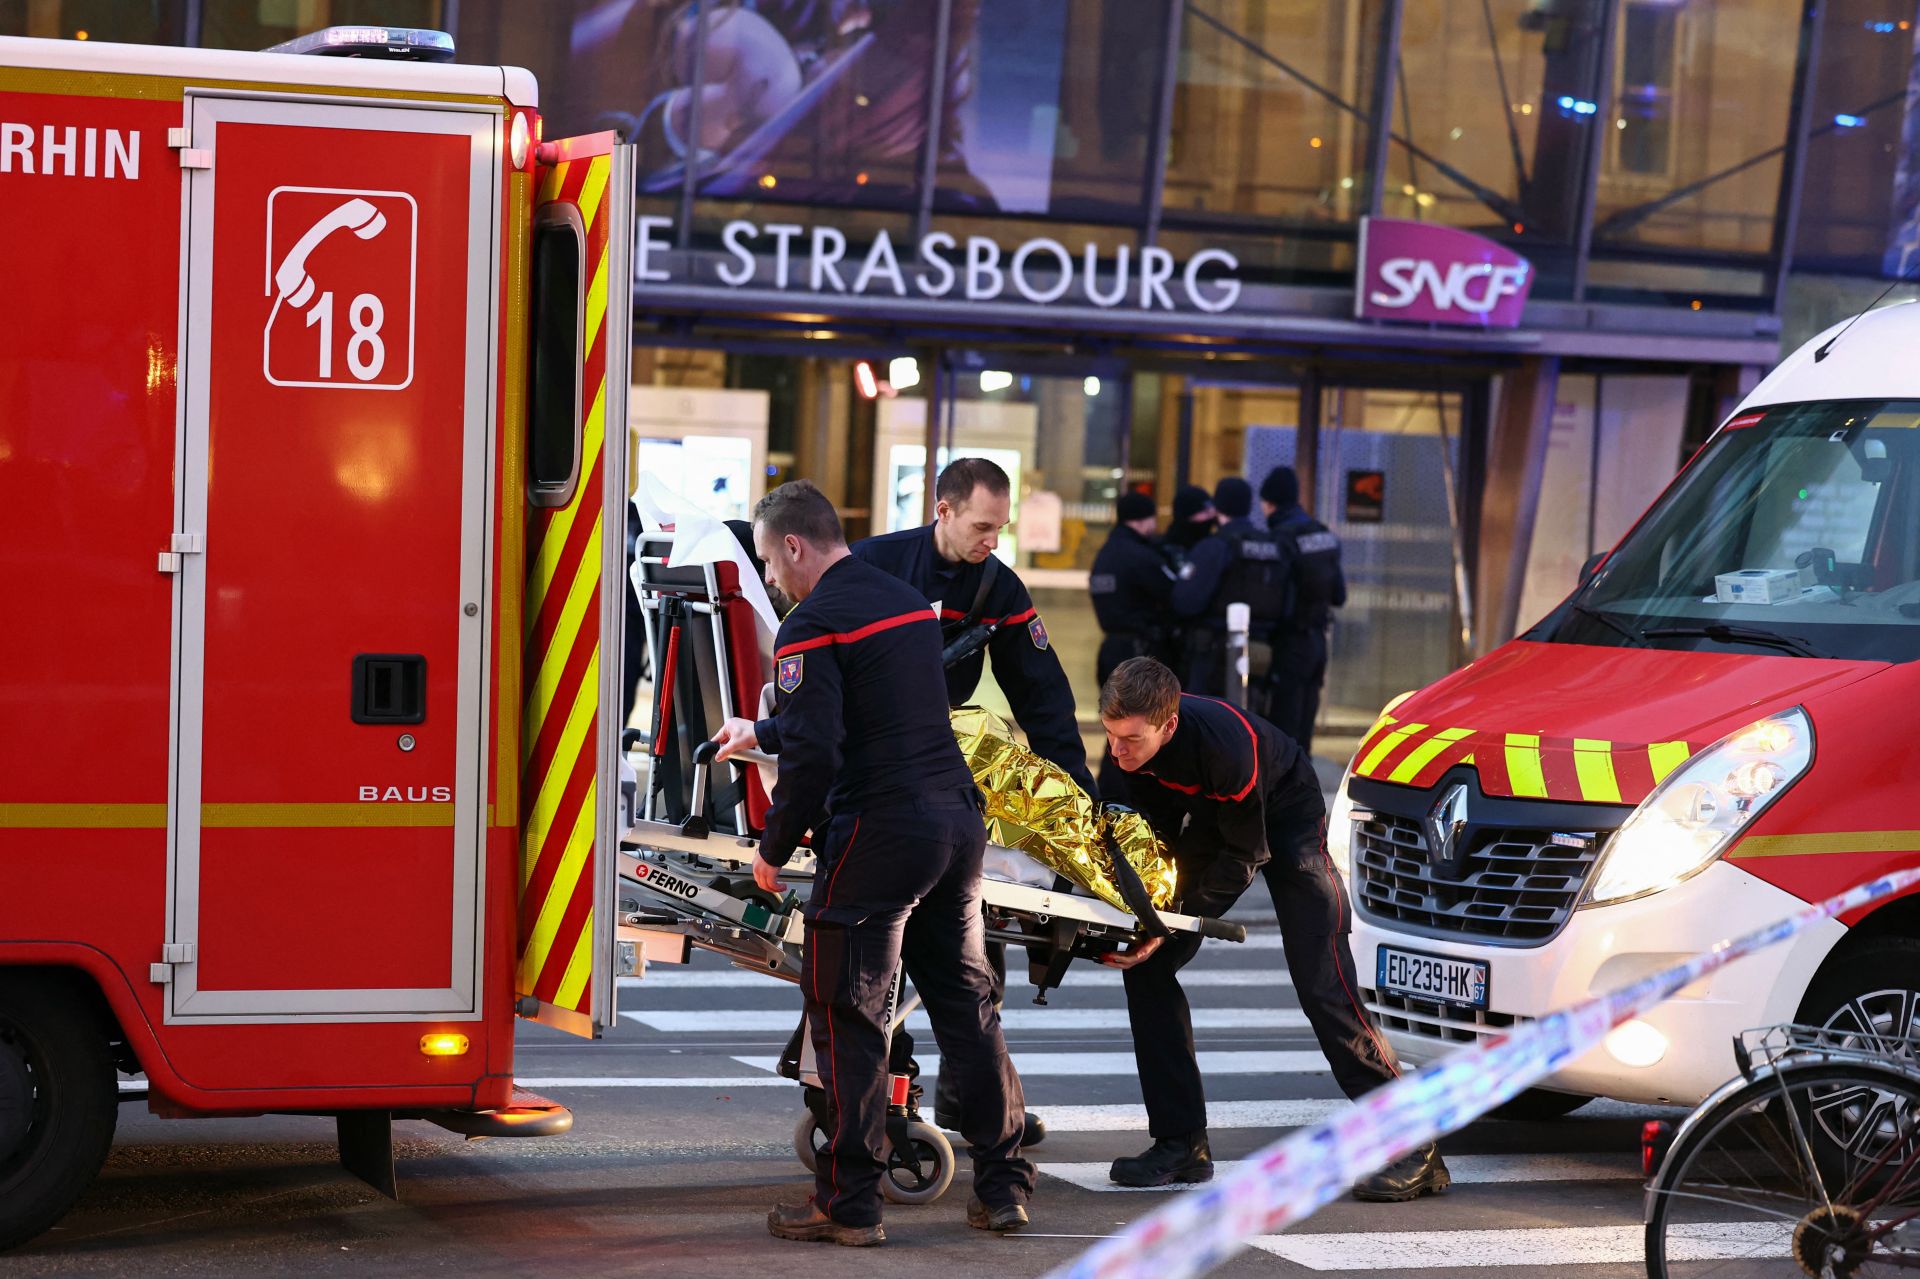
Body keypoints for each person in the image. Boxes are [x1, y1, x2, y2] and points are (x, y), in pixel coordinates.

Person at [711, 480, 1035, 1245]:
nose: (772, 580)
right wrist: (761, 725)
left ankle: (849, 1202)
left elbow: (820, 749)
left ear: (793, 545)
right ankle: (1002, 1185)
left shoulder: (810, 622)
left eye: (769, 561)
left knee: (850, 1010)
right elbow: (871, 709)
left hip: (881, 832)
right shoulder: (902, 602)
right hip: (955, 826)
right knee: (967, 1005)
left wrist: (773, 843)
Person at [1096, 657, 1447, 1202]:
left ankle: (1414, 1146)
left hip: (1284, 813)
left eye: (1131, 740)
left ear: (1167, 725)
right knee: (1149, 967)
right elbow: (1141, 836)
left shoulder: (1226, 747)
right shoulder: (1126, 746)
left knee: (1321, 984)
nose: (1118, 751)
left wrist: (1176, 920)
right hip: (1212, 819)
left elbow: (1246, 855)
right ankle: (1181, 1143)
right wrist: (1142, 914)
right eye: (1111, 736)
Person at [854, 457, 1079, 1140]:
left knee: (976, 947)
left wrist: (1079, 807)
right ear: (942, 509)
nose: (993, 540)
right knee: (879, 960)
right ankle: (877, 1096)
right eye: (983, 526)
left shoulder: (995, 587)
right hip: (873, 778)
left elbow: (1043, 696)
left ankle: (966, 1098)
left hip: (944, 781)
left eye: (1001, 528)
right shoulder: (875, 566)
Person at [1169, 476, 1289, 713]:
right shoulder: (1273, 546)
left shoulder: (1215, 546)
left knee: (1208, 723)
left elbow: (1185, 601)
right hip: (1262, 651)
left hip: (1215, 654)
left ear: (1217, 507)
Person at [1088, 491, 1179, 797]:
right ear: (1144, 520)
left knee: (1117, 729)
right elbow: (1177, 595)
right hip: (1137, 654)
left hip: (1112, 650)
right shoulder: (1140, 556)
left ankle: (1109, 797)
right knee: (1135, 732)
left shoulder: (1106, 554)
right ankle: (1122, 799)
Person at [1258, 467, 1346, 754]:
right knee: (1305, 723)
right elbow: (1339, 594)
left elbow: (1273, 598)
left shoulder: (1281, 538)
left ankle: (1280, 793)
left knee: (1283, 726)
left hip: (1289, 642)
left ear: (1270, 503)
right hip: (1318, 643)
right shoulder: (1323, 534)